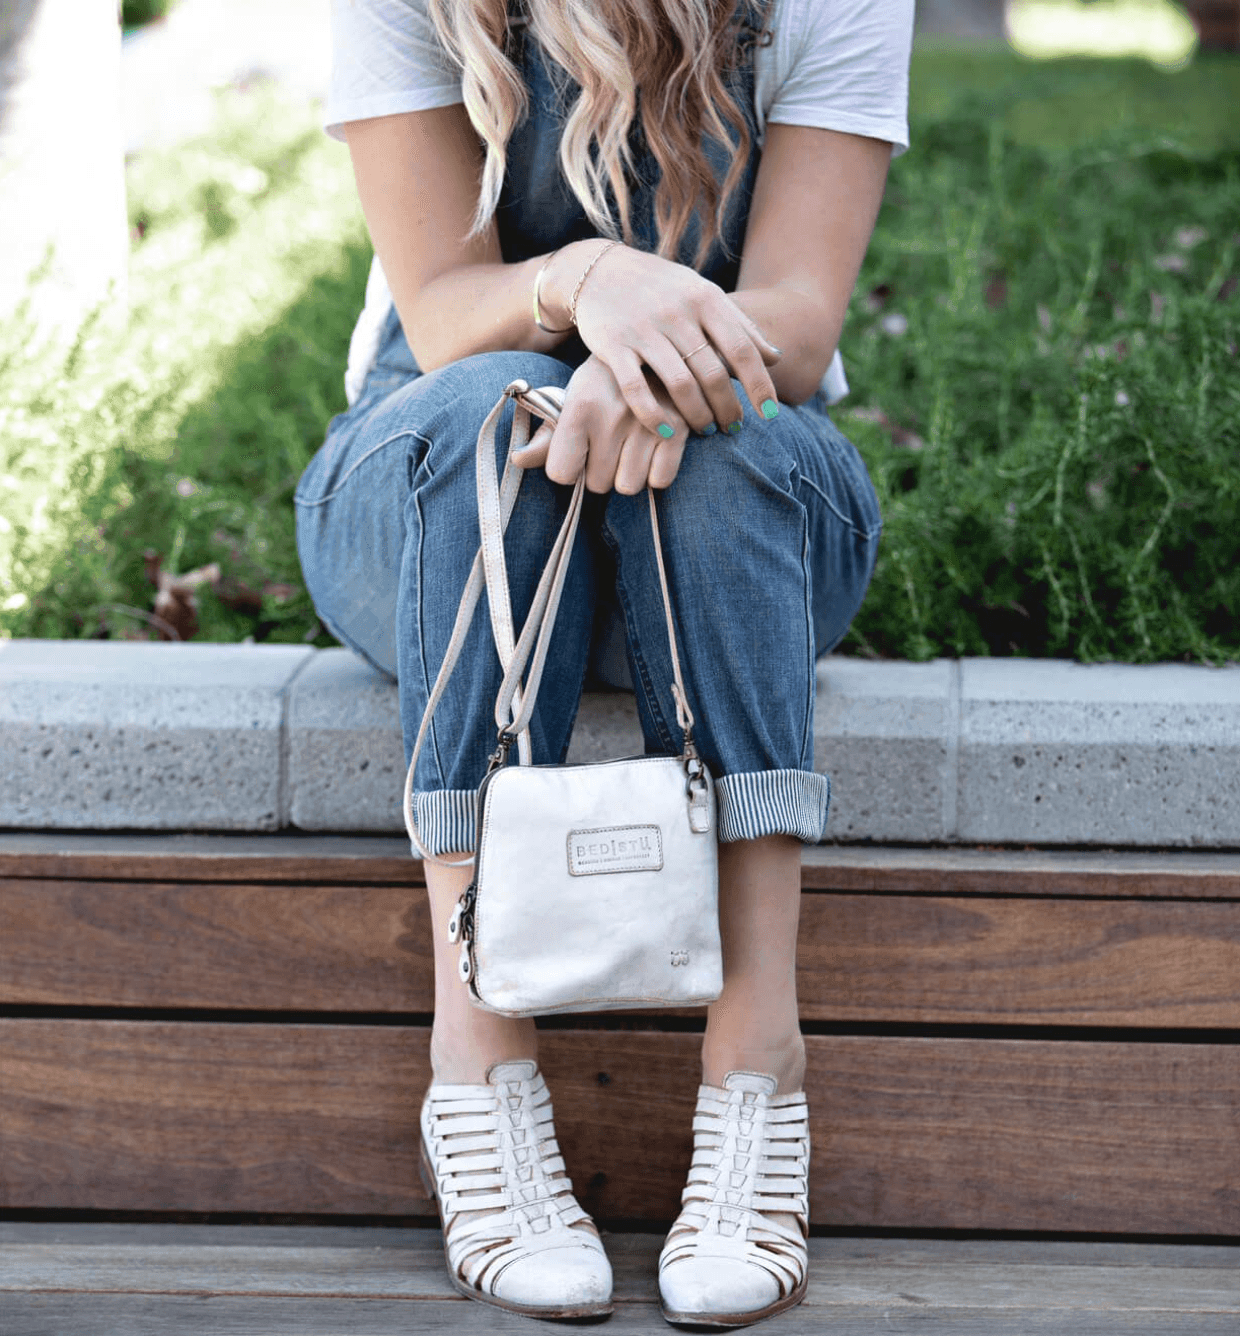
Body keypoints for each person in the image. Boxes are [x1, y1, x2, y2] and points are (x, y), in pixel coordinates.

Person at [296, 0, 913, 1324]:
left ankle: (758, 1071)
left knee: (730, 437)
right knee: (491, 408)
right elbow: (443, 311)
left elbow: (797, 321)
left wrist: (648, 373)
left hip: (727, 504)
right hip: (437, 489)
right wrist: (586, 285)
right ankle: (478, 1070)